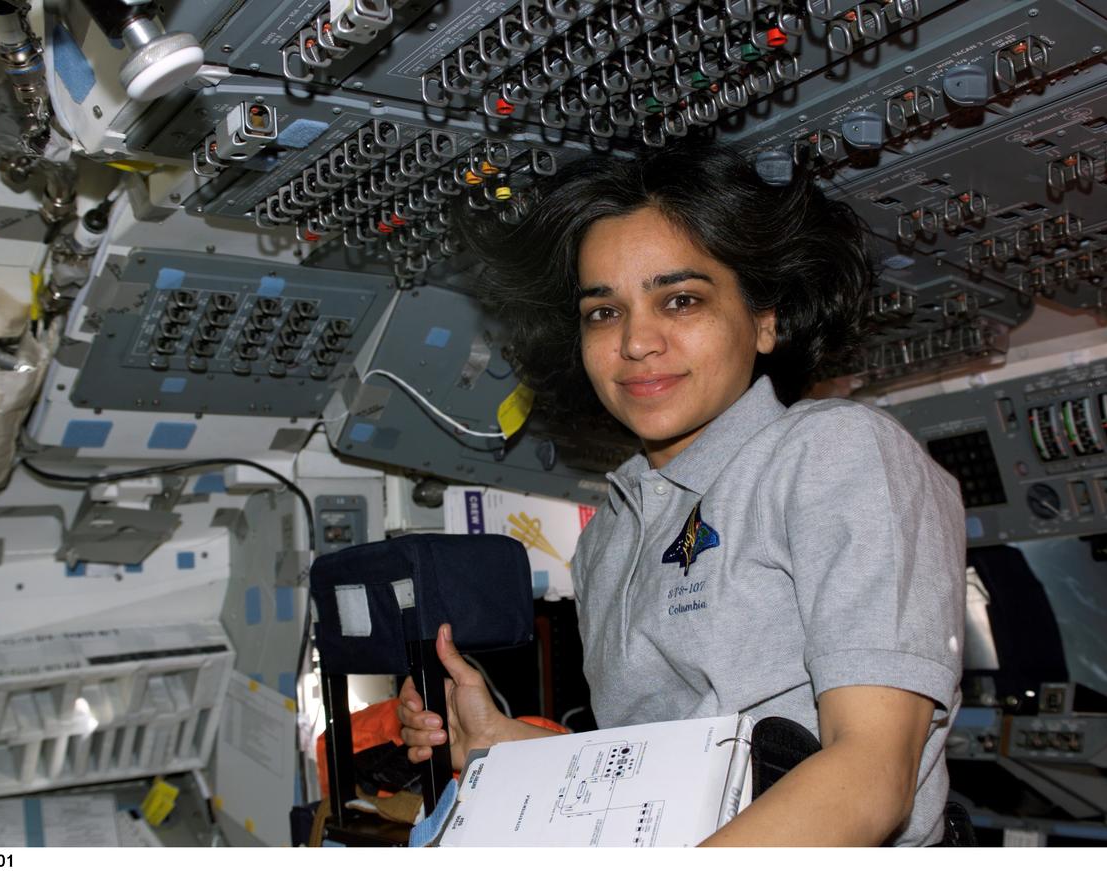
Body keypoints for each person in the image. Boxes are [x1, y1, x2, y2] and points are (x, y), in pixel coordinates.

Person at [397, 140, 966, 846]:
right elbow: (653, 774)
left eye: (681, 299)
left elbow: (872, 778)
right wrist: (501, 745)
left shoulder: (836, 452)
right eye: (603, 312)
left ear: (764, 319)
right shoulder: (611, 534)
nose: (637, 341)